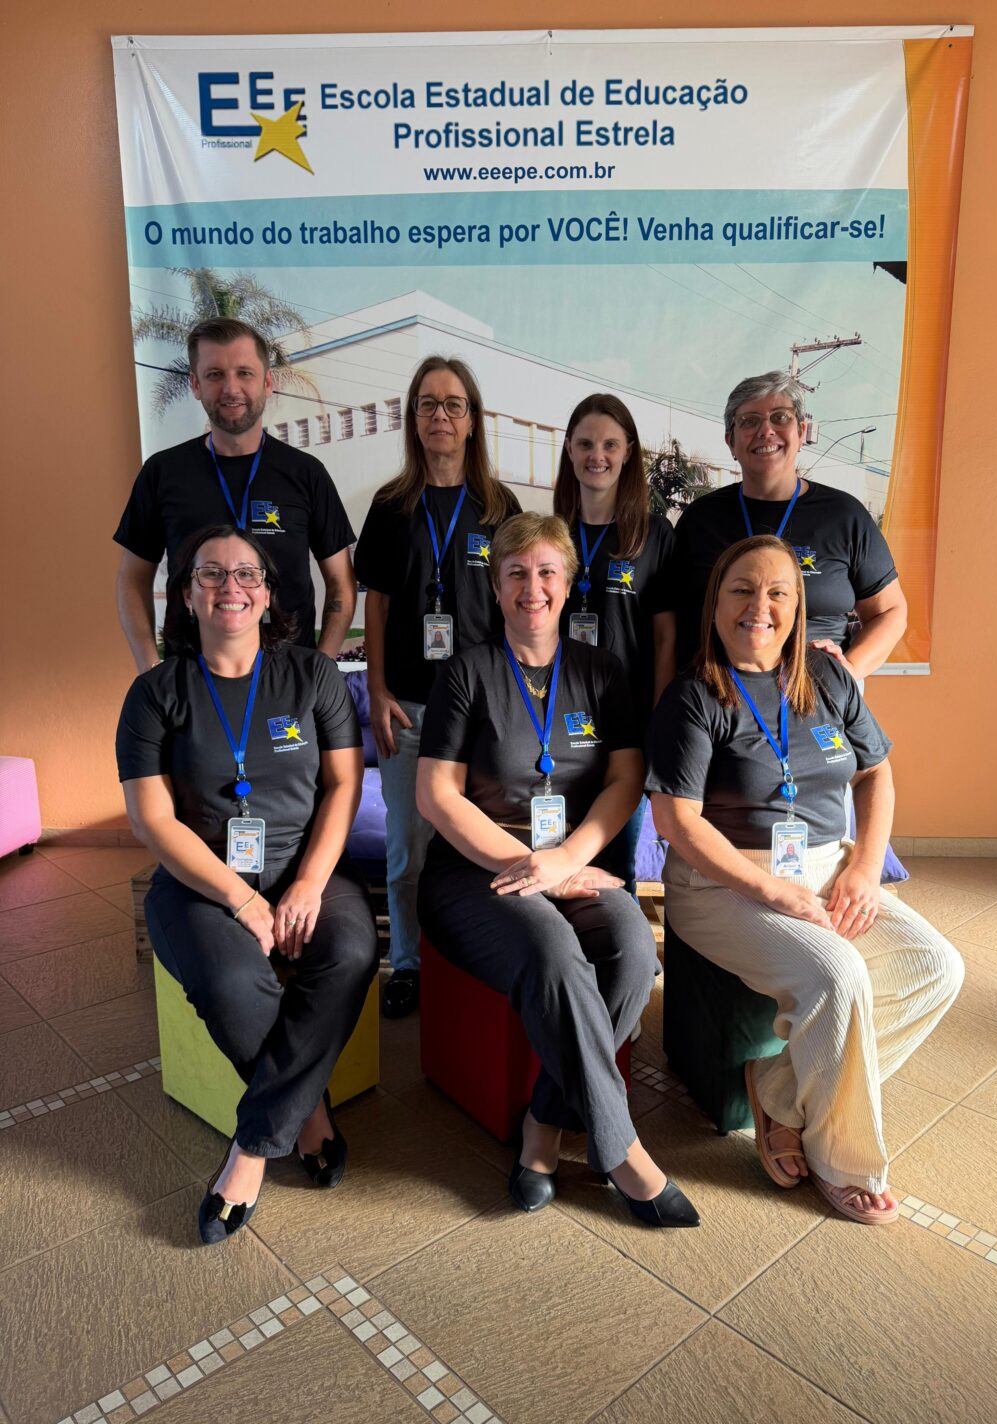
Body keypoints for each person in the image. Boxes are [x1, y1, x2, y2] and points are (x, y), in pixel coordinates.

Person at [647, 535, 962, 1224]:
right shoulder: (693, 696)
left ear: (798, 607)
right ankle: (842, 1158)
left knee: (935, 966)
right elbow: (676, 821)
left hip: (827, 868)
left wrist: (864, 868)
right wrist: (773, 891)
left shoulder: (829, 676)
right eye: (741, 590)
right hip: (722, 884)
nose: (758, 607)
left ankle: (779, 1090)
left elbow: (876, 774)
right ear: (715, 602)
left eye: (777, 593)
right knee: (836, 975)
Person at [415, 513, 699, 1228]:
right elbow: (436, 795)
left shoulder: (601, 672)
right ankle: (621, 1149)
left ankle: (544, 1121)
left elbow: (626, 780)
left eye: (546, 572)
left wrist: (567, 861)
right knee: (552, 951)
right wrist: (530, 866)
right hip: (474, 871)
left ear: (569, 585)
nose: (531, 587)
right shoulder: (466, 672)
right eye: (515, 573)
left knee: (632, 949)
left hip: (569, 865)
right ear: (495, 586)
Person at [116, 524, 379, 1244]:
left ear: (267, 595)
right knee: (231, 982)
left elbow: (343, 786)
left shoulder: (313, 677)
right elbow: (152, 819)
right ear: (185, 595)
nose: (229, 586)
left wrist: (308, 885)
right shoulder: (154, 694)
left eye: (246, 574)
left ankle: (254, 1145)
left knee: (352, 952)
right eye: (210, 573)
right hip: (199, 880)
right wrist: (240, 898)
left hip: (304, 865)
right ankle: (309, 1113)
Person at [354, 356, 521, 1019]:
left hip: (480, 713)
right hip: (409, 708)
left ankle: (471, 960)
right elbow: (376, 605)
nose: (441, 416)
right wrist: (376, 690)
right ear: (413, 419)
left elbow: (516, 609)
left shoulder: (499, 508)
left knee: (481, 843)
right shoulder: (391, 506)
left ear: (472, 420)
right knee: (408, 849)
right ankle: (410, 964)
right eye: (428, 404)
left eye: (454, 404)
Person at [115, 317, 357, 671]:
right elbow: (133, 579)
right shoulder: (163, 473)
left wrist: (321, 669)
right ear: (195, 384)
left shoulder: (306, 474)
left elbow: (341, 584)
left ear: (267, 382)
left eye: (244, 373)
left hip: (291, 681)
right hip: (191, 682)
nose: (231, 388)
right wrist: (149, 668)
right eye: (215, 374)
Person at [672, 371, 907, 677]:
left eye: (780, 417)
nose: (765, 431)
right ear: (731, 441)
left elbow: (890, 611)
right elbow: (668, 621)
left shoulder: (844, 516)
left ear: (801, 431)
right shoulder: (700, 519)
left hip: (816, 694)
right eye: (749, 421)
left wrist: (847, 674)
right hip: (715, 694)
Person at [553, 394, 676, 890]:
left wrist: (659, 720)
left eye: (609, 444)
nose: (596, 455)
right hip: (557, 717)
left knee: (614, 865)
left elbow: (665, 637)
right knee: (556, 852)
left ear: (628, 452)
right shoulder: (553, 533)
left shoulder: (654, 535)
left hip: (627, 725)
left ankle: (616, 937)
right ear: (569, 450)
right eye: (585, 444)